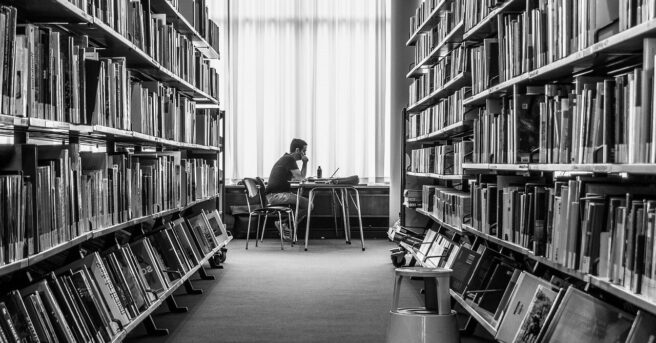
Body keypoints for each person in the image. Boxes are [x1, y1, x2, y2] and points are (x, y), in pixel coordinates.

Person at [265, 138, 311, 241]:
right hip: (275, 196)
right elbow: (301, 178)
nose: (305, 154)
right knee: (308, 204)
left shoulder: (287, 159)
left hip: (274, 195)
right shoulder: (289, 159)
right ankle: (284, 223)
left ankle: (284, 223)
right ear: (298, 150)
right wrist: (305, 163)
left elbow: (299, 177)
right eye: (304, 151)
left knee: (304, 204)